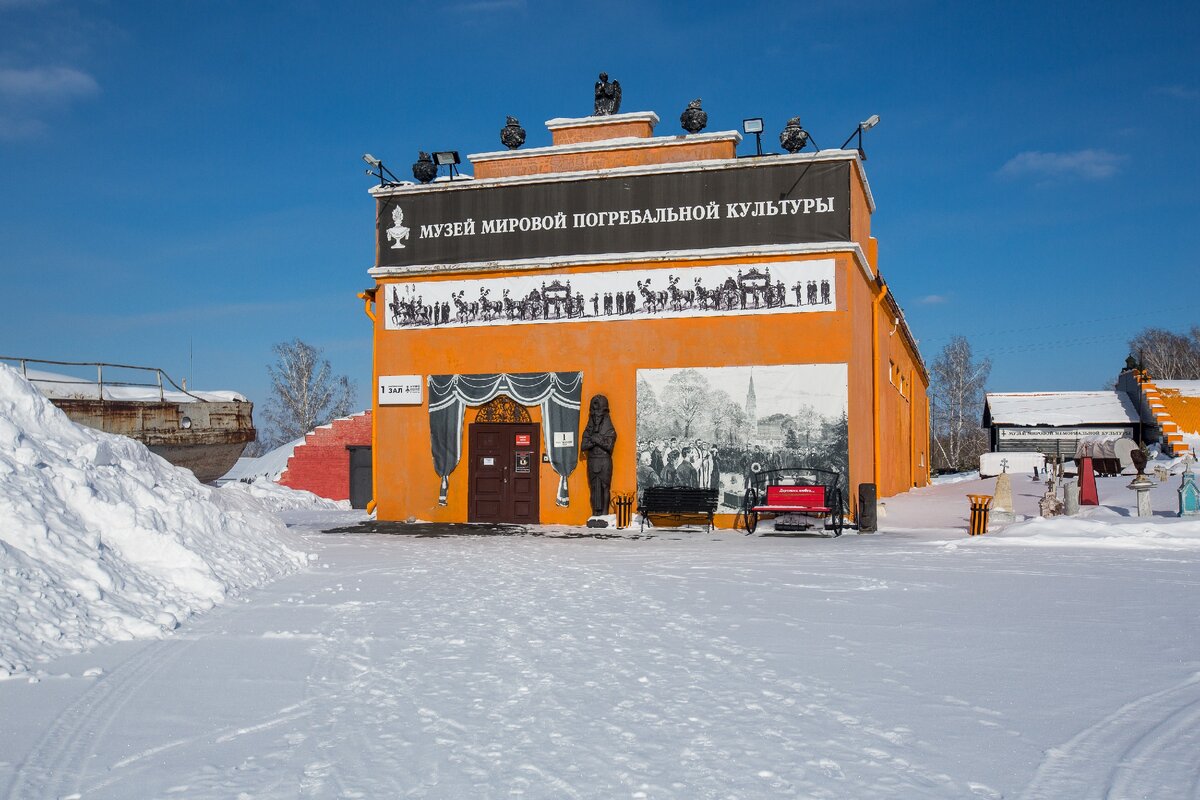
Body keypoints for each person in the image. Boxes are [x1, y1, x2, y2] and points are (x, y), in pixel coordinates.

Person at [579, 394, 617, 517]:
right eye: (594, 415)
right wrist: (598, 440)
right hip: (592, 460)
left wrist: (596, 440)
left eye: (599, 415)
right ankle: (595, 513)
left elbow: (609, 446)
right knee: (594, 488)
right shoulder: (589, 429)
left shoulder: (609, 429)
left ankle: (605, 513)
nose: (596, 417)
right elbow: (583, 446)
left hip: (605, 460)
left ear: (605, 414)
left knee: (605, 486)